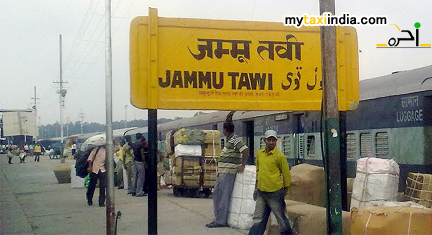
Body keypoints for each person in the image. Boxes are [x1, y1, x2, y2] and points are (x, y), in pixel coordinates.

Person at [248, 130, 293, 235]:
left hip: (275, 193)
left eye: (273, 140)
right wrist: (256, 186)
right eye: (269, 140)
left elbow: (286, 175)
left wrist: (284, 190)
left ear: (276, 141)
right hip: (261, 192)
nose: (271, 142)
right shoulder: (260, 154)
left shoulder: (280, 156)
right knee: (257, 218)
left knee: (281, 218)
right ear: (265, 140)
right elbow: (258, 171)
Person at [206, 122, 249, 228]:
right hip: (222, 173)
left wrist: (242, 165)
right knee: (217, 194)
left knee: (223, 197)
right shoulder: (229, 140)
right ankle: (218, 218)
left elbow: (245, 150)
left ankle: (220, 221)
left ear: (225, 130)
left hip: (228, 173)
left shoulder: (235, 140)